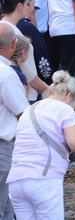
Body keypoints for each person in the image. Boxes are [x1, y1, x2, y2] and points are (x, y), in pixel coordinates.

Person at [6, 70, 75, 219]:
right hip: (44, 178)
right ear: (69, 96)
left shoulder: (29, 110)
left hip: (16, 179)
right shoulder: (65, 110)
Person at [0, 22, 28, 219]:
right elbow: (23, 113)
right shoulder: (7, 74)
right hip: (3, 147)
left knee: (8, 205)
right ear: (13, 45)